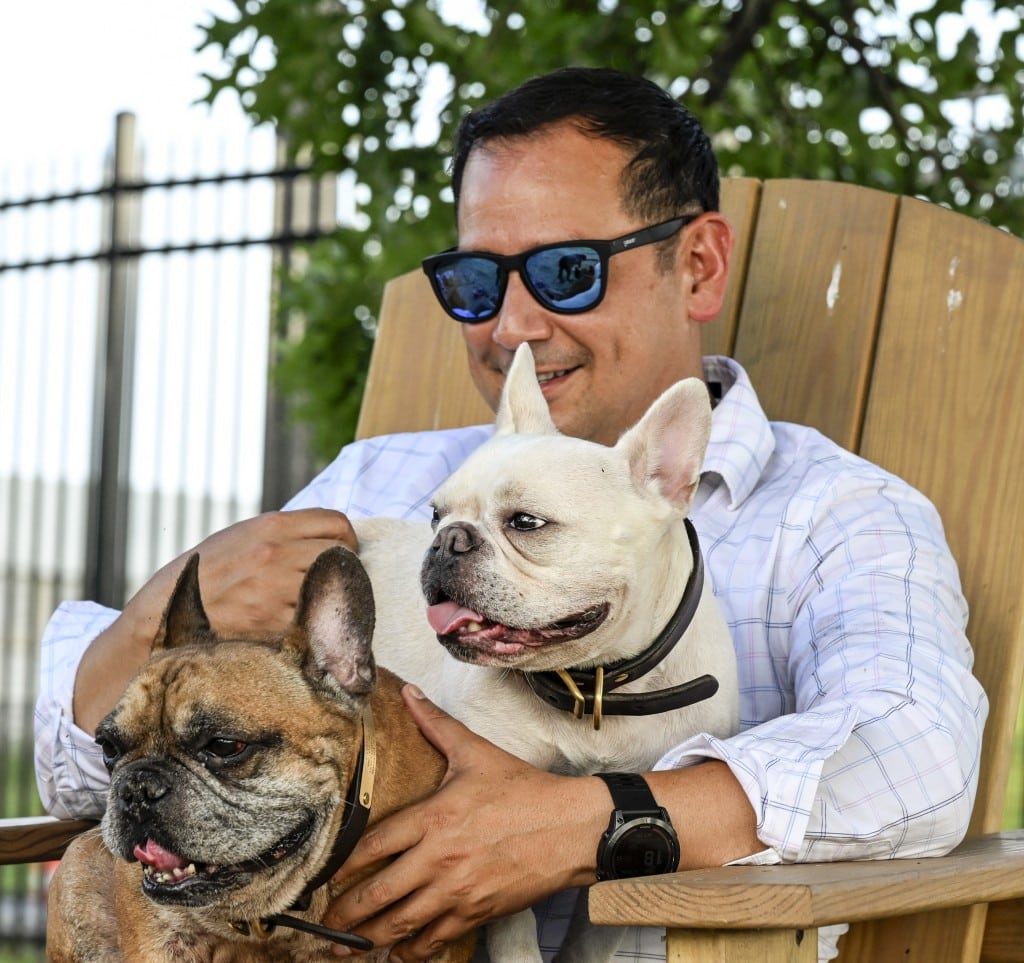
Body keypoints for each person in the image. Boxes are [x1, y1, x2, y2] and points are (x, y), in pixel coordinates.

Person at [35, 67, 987, 963]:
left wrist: (589, 822)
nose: (512, 326)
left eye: (568, 270)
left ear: (697, 266)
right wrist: (149, 620)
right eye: (477, 283)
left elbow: (916, 756)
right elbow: (111, 775)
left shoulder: (836, 515)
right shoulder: (373, 488)